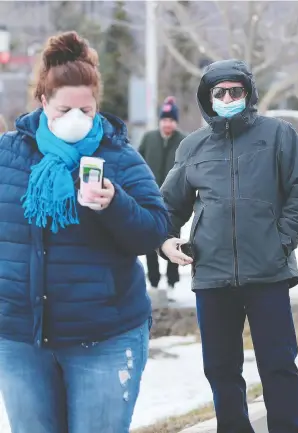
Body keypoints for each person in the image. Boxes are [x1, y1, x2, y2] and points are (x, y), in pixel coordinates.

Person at [0, 31, 168, 433]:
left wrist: (115, 204)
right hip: (21, 340)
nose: (76, 119)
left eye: (86, 110)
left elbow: (155, 231)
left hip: (103, 339)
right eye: (63, 109)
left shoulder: (119, 156)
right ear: (43, 102)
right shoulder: (10, 154)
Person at [160, 59, 298, 433]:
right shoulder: (193, 147)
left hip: (267, 272)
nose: (229, 97)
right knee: (220, 369)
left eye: (236, 90)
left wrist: (283, 240)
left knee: (279, 365)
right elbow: (168, 205)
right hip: (212, 276)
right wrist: (164, 241)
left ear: (248, 94)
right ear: (209, 98)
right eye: (220, 93)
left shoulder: (279, 135)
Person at [139, 96, 186, 290]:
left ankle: (173, 278)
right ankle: (154, 278)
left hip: (175, 199)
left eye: (171, 121)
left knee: (172, 236)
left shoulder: (183, 141)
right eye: (165, 120)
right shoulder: (149, 138)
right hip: (151, 197)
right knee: (151, 237)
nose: (168, 124)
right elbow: (139, 163)